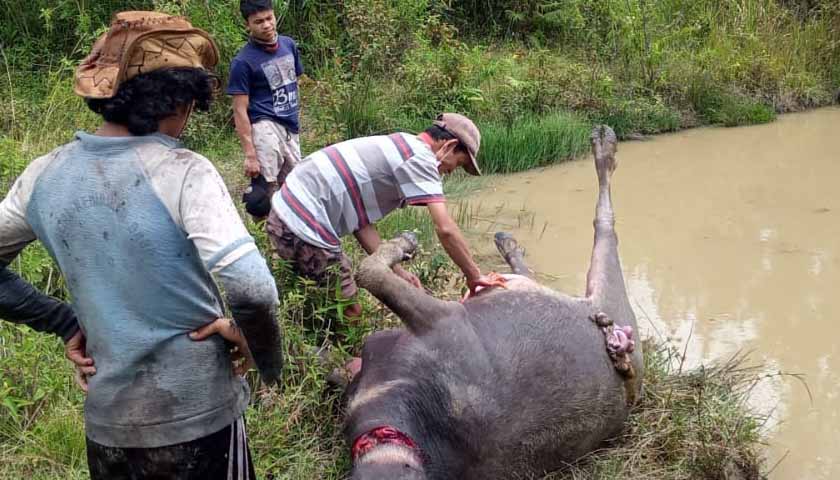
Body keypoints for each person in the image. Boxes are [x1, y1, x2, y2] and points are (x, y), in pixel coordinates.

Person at [0, 12, 283, 479]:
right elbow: (252, 287)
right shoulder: (185, 172)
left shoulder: (41, 176)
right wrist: (261, 353)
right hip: (199, 415)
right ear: (181, 103)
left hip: (110, 427)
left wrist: (62, 321)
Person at [267, 113, 505, 318]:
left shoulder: (402, 144)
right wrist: (475, 277)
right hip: (302, 224)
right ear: (449, 146)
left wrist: (396, 271)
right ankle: (347, 365)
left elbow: (359, 222)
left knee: (314, 297)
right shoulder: (421, 159)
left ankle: (304, 337)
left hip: (282, 216)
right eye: (455, 165)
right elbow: (446, 229)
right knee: (351, 310)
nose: (449, 172)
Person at [228, 0, 304, 219]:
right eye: (258, 22)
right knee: (264, 190)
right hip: (264, 126)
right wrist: (250, 155)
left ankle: (290, 232)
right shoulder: (243, 62)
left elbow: (295, 82)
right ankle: (266, 236)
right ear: (248, 25)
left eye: (269, 18)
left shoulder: (289, 45)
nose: (266, 25)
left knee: (295, 184)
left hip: (290, 126)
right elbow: (240, 110)